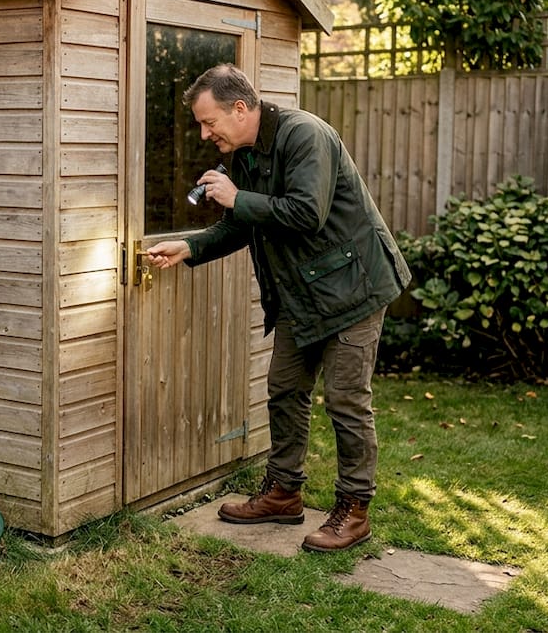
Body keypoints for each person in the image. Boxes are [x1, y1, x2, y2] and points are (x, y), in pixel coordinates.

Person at [147, 64, 411, 553]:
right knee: (284, 389)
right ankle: (284, 492)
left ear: (241, 108)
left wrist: (237, 196)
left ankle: (354, 511)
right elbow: (241, 224)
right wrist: (189, 247)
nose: (205, 134)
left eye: (210, 123)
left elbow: (306, 213)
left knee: (346, 401)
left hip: (354, 288)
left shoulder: (305, 135)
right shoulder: (242, 154)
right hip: (302, 295)